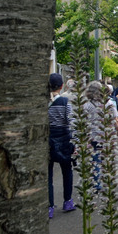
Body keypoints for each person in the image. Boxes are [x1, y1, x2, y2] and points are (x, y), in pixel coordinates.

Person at [84, 80, 118, 190]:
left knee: (95, 160)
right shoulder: (109, 103)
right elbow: (116, 120)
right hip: (107, 136)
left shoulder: (87, 105)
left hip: (93, 136)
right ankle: (109, 182)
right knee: (108, 160)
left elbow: (84, 121)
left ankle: (97, 183)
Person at [47, 74, 75, 219]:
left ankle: (50, 206)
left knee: (48, 175)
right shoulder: (65, 102)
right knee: (67, 171)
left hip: (48, 140)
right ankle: (67, 201)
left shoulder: (43, 102)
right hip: (64, 140)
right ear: (61, 86)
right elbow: (71, 121)